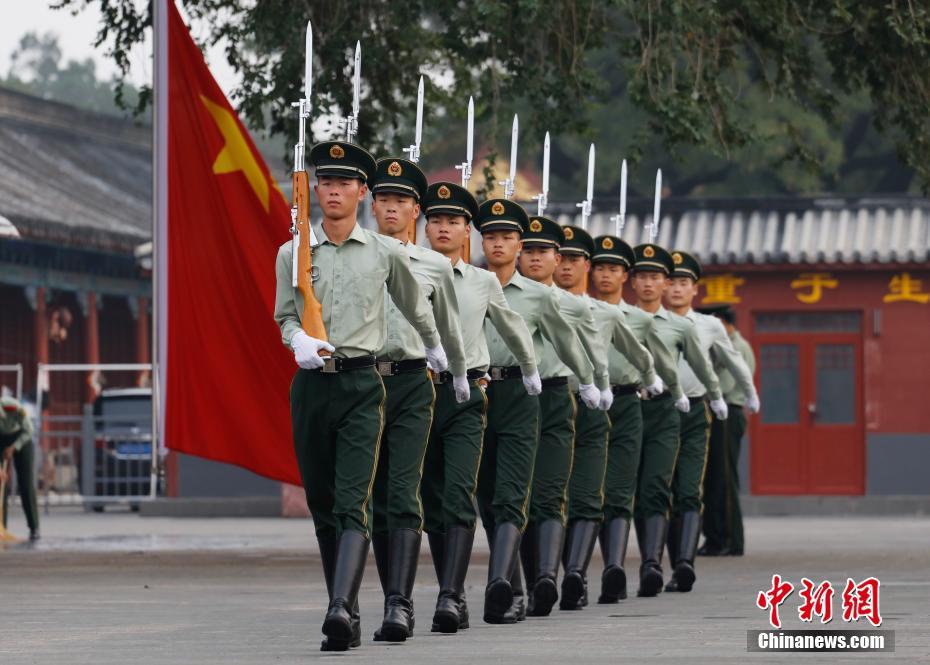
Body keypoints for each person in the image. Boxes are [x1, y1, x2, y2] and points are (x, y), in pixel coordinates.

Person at [273, 140, 446, 652]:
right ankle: (341, 607)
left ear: (361, 192)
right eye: (326, 182)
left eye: (344, 183)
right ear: (315, 189)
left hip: (362, 384)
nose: (333, 191)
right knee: (323, 503)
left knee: (354, 499)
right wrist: (296, 339)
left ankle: (341, 608)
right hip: (311, 385)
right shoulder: (293, 251)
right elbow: (285, 314)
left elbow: (415, 306)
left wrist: (434, 346)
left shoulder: (385, 252)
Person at [420, 181, 537, 634]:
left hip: (470, 395)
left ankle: (452, 595)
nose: (444, 228)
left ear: (467, 230)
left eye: (453, 221)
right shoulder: (406, 270)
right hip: (419, 393)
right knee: (430, 498)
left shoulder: (483, 281)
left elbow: (510, 326)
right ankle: (455, 590)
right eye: (437, 220)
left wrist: (529, 368)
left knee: (461, 495)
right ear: (425, 226)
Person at [368, 157, 469, 642]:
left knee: (406, 490)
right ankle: (390, 592)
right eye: (384, 198)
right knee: (375, 496)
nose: (392, 207)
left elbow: (449, 329)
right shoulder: (356, 255)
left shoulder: (433, 266)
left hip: (413, 381)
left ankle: (399, 604)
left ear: (417, 211)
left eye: (401, 201)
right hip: (363, 381)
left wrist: (460, 373)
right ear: (372, 204)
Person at [585, 234, 681, 602]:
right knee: (598, 490)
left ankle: (644, 563)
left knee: (640, 488)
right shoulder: (583, 311)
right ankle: (606, 567)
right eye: (601, 268)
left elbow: (662, 362)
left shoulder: (641, 320)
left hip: (635, 402)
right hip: (592, 403)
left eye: (615, 269)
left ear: (624, 276)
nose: (607, 275)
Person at [515, 216, 603, 616]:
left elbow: (593, 357)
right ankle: (533, 579)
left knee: (551, 493)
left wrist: (595, 390)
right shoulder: (502, 296)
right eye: (529, 250)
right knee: (519, 496)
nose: (536, 258)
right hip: (513, 397)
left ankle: (549, 577)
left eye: (544, 252)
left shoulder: (573, 306)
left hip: (559, 396)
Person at [628, 243, 724, 597]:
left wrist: (721, 396)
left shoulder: (693, 326)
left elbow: (713, 363)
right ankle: (652, 562)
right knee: (649, 488)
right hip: (637, 407)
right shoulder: (624, 318)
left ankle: (682, 562)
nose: (653, 285)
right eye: (644, 276)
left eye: (659, 278)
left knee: (685, 489)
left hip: (688, 408)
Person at [663, 251, 759, 592]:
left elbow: (733, 365)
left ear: (694, 290)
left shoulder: (709, 326)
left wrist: (747, 395)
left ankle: (689, 559)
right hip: (658, 410)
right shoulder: (648, 320)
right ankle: (657, 560)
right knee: (659, 490)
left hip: (705, 410)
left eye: (683, 283)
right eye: (671, 281)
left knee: (697, 486)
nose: (676, 289)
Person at [697, 304, 756, 557]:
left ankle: (730, 540)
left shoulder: (736, 346)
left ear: (722, 323)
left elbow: (726, 384)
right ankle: (714, 537)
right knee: (712, 478)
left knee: (724, 478)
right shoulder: (720, 344)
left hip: (727, 413)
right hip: (716, 412)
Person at [0, 391, 39, 541]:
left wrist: (14, 447)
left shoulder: (12, 406)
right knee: (0, 484)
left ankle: (34, 527)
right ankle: (1, 527)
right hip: (1, 439)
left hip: (21, 438)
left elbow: (29, 430)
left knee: (25, 483)